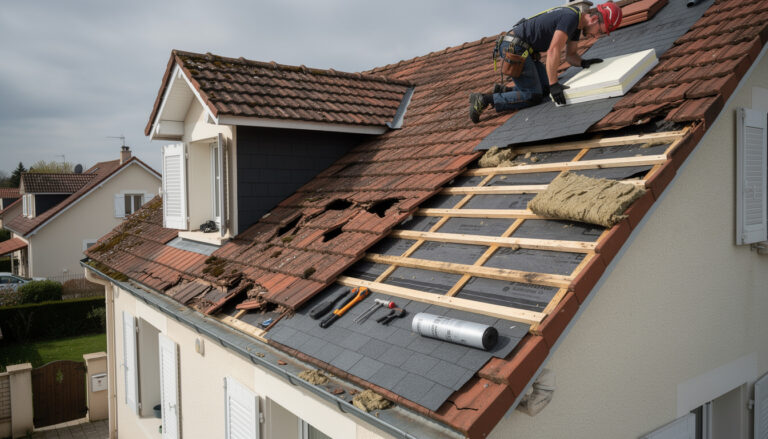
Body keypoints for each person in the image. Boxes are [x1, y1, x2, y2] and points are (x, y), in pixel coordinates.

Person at [469, 2, 622, 123]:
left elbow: (571, 56)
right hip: (515, 46)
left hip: (525, 49)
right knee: (533, 96)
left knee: (544, 90)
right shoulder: (571, 17)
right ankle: (485, 99)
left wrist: (583, 63)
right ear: (595, 19)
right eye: (600, 31)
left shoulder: (576, 25)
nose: (596, 36)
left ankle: (502, 91)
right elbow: (553, 51)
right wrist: (554, 84)